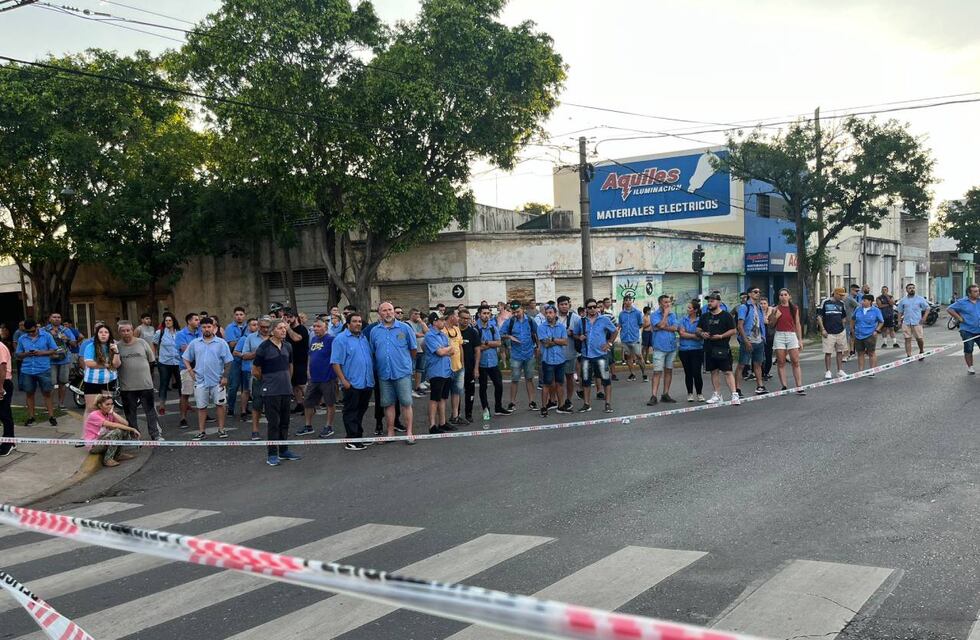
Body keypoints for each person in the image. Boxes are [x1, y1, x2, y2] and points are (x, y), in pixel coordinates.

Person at [253, 319, 301, 465]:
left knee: (285, 422)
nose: (283, 330)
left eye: (284, 328)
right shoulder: (264, 347)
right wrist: (268, 381)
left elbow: (290, 365)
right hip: (271, 391)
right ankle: (272, 454)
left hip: (285, 389)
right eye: (280, 328)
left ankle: (284, 450)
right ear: (272, 330)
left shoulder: (288, 346)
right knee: (274, 423)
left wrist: (286, 381)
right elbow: (255, 370)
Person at [368, 301, 417, 440]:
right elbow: (373, 351)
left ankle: (409, 432)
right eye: (384, 310)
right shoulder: (374, 331)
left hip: (402, 373)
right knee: (388, 404)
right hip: (384, 374)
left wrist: (407, 364)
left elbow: (413, 349)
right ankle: (390, 432)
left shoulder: (405, 328)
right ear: (379, 313)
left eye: (390, 310)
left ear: (394, 312)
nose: (388, 313)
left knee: (406, 403)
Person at [183, 317, 233, 440]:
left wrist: (225, 377)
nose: (206, 329)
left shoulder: (221, 343)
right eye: (204, 327)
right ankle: (201, 431)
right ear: (201, 329)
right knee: (201, 407)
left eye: (209, 327)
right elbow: (186, 357)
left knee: (220, 405)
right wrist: (190, 370)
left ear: (213, 328)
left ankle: (221, 429)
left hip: (217, 380)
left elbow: (228, 361)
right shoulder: (195, 343)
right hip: (200, 380)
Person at [330, 313, 375, 451]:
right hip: (351, 383)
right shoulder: (340, 339)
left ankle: (358, 436)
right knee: (351, 412)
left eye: (360, 321)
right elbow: (335, 362)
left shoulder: (363, 338)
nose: (358, 324)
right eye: (354, 321)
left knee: (360, 411)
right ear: (348, 324)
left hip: (366, 382)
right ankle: (351, 440)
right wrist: (343, 380)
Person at [116, 321, 162, 441]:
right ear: (119, 332)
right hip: (127, 387)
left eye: (128, 330)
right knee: (130, 414)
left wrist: (148, 378)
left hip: (145, 385)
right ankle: (135, 437)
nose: (126, 333)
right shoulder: (117, 346)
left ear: (132, 331)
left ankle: (155, 435)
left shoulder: (142, 342)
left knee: (150, 412)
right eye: (123, 331)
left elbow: (151, 361)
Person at [696, 293, 740, 405]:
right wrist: (702, 334)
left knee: (727, 371)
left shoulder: (726, 315)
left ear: (719, 302)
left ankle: (734, 394)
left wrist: (721, 336)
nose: (709, 303)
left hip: (722, 347)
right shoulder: (705, 316)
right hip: (709, 347)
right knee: (713, 371)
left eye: (712, 301)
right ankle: (717, 394)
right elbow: (698, 329)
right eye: (708, 301)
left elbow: (733, 330)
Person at [576, 298, 619, 413]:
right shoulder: (581, 321)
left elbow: (615, 331)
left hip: (600, 355)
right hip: (586, 355)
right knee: (586, 381)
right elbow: (575, 334)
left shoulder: (604, 319)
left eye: (594, 307)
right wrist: (579, 337)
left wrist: (609, 343)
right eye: (590, 307)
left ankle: (608, 404)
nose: (592, 309)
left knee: (606, 380)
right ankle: (586, 404)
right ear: (586, 309)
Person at [300, 318, 337, 437]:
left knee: (329, 403)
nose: (315, 329)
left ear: (325, 327)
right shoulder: (313, 340)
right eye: (314, 326)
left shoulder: (331, 340)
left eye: (318, 326)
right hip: (314, 378)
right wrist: (308, 370)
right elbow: (310, 356)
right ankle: (308, 426)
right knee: (308, 402)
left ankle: (328, 426)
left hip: (327, 377)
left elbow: (336, 357)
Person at [501, 300, 539, 411]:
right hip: (516, 355)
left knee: (529, 379)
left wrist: (538, 347)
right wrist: (510, 337)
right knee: (515, 379)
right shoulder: (510, 321)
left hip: (529, 354)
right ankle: (512, 403)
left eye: (518, 311)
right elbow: (501, 333)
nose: (516, 314)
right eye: (514, 312)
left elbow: (536, 333)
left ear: (522, 308)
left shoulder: (530, 321)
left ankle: (532, 401)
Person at [238, 317, 271, 440]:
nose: (265, 330)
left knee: (273, 405)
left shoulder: (275, 337)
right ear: (258, 326)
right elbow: (244, 355)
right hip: (257, 375)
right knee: (257, 404)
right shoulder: (250, 338)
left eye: (267, 327)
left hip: (273, 376)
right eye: (262, 327)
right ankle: (255, 431)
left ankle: (274, 430)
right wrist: (257, 353)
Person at [83, 394, 139, 467]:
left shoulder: (109, 414)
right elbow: (113, 425)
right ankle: (107, 459)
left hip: (103, 440)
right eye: (107, 404)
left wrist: (113, 413)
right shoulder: (94, 415)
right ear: (100, 405)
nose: (110, 406)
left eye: (111, 404)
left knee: (124, 429)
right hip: (94, 445)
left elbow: (125, 423)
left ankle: (117, 455)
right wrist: (132, 429)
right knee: (117, 432)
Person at [475, 305, 510, 420]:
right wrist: (490, 344)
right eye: (484, 313)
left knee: (499, 385)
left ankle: (498, 407)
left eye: (488, 313)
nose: (486, 315)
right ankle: (486, 409)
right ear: (479, 314)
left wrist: (485, 343)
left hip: (493, 362)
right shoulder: (475, 329)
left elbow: (498, 343)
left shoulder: (493, 327)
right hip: (481, 362)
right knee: (483, 387)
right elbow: (477, 347)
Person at [81, 323, 120, 423]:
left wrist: (116, 352)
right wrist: (107, 365)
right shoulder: (90, 346)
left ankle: (104, 430)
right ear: (97, 334)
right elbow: (89, 363)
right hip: (92, 381)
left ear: (109, 335)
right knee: (91, 408)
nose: (103, 334)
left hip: (109, 381)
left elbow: (116, 364)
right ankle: (87, 431)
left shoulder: (113, 346)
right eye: (100, 332)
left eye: (106, 332)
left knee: (107, 408)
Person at [647, 295, 679, 405]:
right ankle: (653, 396)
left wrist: (661, 327)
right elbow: (659, 324)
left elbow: (675, 328)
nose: (668, 304)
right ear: (660, 303)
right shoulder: (654, 315)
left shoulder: (673, 314)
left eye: (669, 302)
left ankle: (665, 394)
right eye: (665, 302)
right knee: (657, 372)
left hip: (671, 346)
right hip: (659, 347)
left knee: (668, 370)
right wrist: (665, 315)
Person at [537, 304, 567, 417]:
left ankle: (561, 405)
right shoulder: (541, 327)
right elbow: (545, 343)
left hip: (560, 359)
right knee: (546, 384)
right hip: (548, 360)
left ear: (555, 314)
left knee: (560, 383)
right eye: (547, 313)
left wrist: (553, 339)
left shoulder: (561, 327)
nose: (548, 315)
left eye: (550, 313)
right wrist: (558, 341)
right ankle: (544, 407)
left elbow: (565, 342)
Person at [424, 312, 453, 436]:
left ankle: (442, 422)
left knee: (443, 398)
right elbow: (440, 352)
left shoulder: (443, 335)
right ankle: (432, 425)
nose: (444, 322)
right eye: (441, 320)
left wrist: (444, 349)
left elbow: (451, 350)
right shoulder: (430, 335)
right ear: (434, 322)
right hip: (436, 371)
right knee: (435, 398)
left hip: (446, 370)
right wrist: (445, 349)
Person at [772, 288, 805, 393]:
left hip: (791, 335)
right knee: (781, 362)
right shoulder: (776, 308)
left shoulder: (794, 308)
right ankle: (784, 386)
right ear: (779, 297)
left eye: (785, 294)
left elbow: (797, 324)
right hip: (779, 335)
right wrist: (775, 316)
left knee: (795, 361)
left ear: (789, 296)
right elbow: (771, 324)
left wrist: (800, 340)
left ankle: (799, 385)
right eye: (781, 295)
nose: (783, 297)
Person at [737, 287, 769, 395]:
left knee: (758, 364)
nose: (758, 294)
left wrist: (763, 337)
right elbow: (740, 325)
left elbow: (761, 323)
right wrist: (745, 340)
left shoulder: (759, 307)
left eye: (759, 292)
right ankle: (737, 389)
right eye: (755, 292)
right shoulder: (744, 307)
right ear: (749, 294)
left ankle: (760, 386)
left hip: (759, 340)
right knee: (742, 365)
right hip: (748, 340)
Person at [44, 312, 77, 409]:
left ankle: (61, 403)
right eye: (54, 317)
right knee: (51, 383)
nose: (57, 319)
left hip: (64, 360)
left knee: (63, 382)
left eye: (59, 317)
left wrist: (67, 338)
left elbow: (74, 344)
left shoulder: (66, 330)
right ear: (50, 319)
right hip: (50, 360)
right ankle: (50, 405)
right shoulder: (43, 330)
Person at [175, 313, 202, 428]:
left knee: (202, 392)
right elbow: (185, 349)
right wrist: (200, 348)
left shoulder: (200, 332)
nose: (198, 322)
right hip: (186, 367)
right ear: (189, 321)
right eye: (196, 320)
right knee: (185, 393)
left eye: (198, 320)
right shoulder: (181, 334)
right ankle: (183, 418)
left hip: (200, 366)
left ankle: (204, 414)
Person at [947, 283, 980, 375]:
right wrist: (959, 318)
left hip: (979, 329)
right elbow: (949, 309)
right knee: (969, 348)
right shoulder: (962, 302)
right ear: (969, 293)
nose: (978, 293)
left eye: (978, 291)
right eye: (975, 291)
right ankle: (970, 367)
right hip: (967, 330)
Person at [153, 312, 181, 416]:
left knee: (180, 384)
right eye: (166, 320)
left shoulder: (179, 333)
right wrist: (155, 356)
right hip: (164, 362)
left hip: (178, 361)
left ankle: (184, 404)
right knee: (164, 384)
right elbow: (154, 344)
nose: (168, 322)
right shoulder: (160, 332)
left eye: (170, 320)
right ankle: (162, 406)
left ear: (174, 321)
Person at [555, 296, 580, 413]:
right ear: (558, 306)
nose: (564, 306)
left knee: (569, 377)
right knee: (558, 379)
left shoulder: (575, 318)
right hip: (556, 354)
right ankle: (558, 401)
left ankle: (568, 399)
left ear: (569, 305)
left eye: (566, 304)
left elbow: (581, 334)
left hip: (570, 353)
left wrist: (573, 334)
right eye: (561, 304)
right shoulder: (553, 317)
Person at [282, 308, 310, 414]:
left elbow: (296, 338)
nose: (288, 319)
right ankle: (299, 404)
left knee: (302, 384)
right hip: (290, 360)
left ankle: (310, 404)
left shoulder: (302, 329)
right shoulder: (285, 330)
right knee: (294, 384)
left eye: (290, 317)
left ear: (296, 317)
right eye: (286, 317)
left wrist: (288, 328)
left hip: (301, 360)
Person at [677, 300, 705, 402]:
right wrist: (694, 336)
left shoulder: (701, 320)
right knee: (688, 372)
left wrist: (689, 334)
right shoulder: (683, 319)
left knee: (697, 372)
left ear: (695, 310)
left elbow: (701, 335)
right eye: (687, 307)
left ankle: (699, 393)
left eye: (690, 308)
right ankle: (689, 393)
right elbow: (682, 333)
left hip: (697, 349)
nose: (687, 309)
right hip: (684, 350)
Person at [817, 288, 848, 379]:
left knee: (840, 351)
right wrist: (822, 329)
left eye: (843, 295)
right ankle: (828, 371)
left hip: (840, 331)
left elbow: (843, 316)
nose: (842, 297)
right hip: (828, 331)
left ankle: (840, 370)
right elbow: (819, 316)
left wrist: (843, 327)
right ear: (835, 294)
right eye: (840, 295)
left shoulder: (842, 303)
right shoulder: (825, 302)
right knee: (828, 352)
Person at [224, 306, 249, 419]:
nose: (239, 317)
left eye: (241, 314)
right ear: (234, 316)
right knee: (233, 386)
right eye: (237, 315)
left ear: (244, 316)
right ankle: (231, 407)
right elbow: (232, 344)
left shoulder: (248, 326)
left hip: (247, 359)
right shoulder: (230, 328)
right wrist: (245, 339)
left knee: (246, 386)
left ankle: (245, 408)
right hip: (235, 360)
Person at [443, 311, 467, 425]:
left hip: (458, 367)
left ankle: (455, 416)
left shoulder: (457, 329)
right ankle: (442, 420)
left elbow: (460, 346)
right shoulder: (442, 330)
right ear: (451, 317)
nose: (458, 318)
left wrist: (462, 363)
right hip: (446, 368)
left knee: (457, 392)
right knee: (443, 395)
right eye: (457, 316)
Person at [851, 294, 884, 376]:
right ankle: (861, 370)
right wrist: (852, 329)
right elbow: (853, 319)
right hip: (858, 334)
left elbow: (881, 321)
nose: (862, 302)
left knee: (871, 353)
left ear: (870, 301)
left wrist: (876, 330)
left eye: (864, 300)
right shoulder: (858, 309)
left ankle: (872, 370)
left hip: (870, 334)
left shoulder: (875, 310)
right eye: (862, 300)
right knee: (860, 353)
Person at [895, 283, 930, 359]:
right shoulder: (903, 300)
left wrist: (924, 317)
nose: (912, 289)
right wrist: (899, 321)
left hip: (917, 322)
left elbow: (927, 308)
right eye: (910, 288)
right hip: (906, 322)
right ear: (906, 290)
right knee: (907, 339)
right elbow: (900, 311)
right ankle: (909, 355)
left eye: (913, 288)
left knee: (919, 338)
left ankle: (921, 351)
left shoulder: (920, 299)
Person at [618, 294, 647, 382]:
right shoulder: (621, 314)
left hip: (635, 338)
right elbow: (620, 325)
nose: (628, 301)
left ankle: (644, 374)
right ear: (624, 302)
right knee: (628, 357)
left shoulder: (637, 313)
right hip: (625, 338)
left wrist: (634, 330)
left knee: (639, 356)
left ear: (632, 301)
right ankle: (632, 374)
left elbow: (641, 324)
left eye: (629, 300)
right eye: (626, 300)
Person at [459, 310, 481, 423]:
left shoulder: (473, 332)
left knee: (470, 392)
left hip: (469, 367)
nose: (465, 320)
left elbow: (477, 351)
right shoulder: (454, 331)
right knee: (457, 392)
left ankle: (468, 414)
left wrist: (476, 368)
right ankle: (456, 414)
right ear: (459, 318)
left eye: (467, 318)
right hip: (457, 368)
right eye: (463, 318)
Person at [408, 308, 428, 396]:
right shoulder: (407, 324)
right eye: (415, 314)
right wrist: (423, 335)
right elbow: (413, 334)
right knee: (411, 370)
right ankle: (409, 389)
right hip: (413, 350)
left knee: (419, 370)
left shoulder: (421, 323)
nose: (417, 316)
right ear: (411, 315)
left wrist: (422, 323)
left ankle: (417, 387)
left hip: (422, 349)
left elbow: (428, 332)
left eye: (419, 314)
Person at [0, 339, 15, 457]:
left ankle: (9, 443)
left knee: (4, 414)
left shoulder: (0, 348)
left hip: (3, 383)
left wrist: (0, 387)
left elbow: (2, 368)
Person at [843, 283, 861, 361]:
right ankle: (847, 353)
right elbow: (859, 306)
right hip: (849, 320)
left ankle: (851, 351)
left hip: (848, 320)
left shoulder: (848, 298)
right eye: (856, 291)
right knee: (848, 337)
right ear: (852, 290)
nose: (857, 293)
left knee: (851, 337)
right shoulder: (850, 299)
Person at [495, 301, 512, 371]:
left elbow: (512, 323)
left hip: (507, 334)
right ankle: (505, 364)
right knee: (502, 350)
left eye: (498, 306)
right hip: (500, 335)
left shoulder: (509, 314)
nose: (497, 307)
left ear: (502, 306)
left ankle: (512, 362)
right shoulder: (497, 315)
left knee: (510, 349)